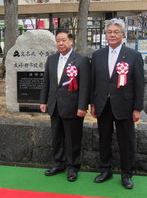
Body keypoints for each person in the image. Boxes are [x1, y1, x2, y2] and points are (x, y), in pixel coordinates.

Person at [90, 18, 145, 189]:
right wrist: (92, 103)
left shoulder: (133, 56)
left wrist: (137, 108)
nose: (112, 35)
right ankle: (106, 170)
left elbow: (139, 83)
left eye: (116, 32)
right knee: (104, 139)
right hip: (103, 105)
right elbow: (94, 81)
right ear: (105, 34)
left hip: (125, 106)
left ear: (123, 34)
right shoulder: (97, 55)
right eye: (109, 32)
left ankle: (127, 174)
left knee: (126, 142)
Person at [40, 30, 90, 182]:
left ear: (71, 41)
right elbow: (46, 82)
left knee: (72, 139)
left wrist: (82, 106)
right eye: (58, 41)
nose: (60, 43)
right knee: (57, 137)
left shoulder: (81, 60)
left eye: (63, 40)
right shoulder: (52, 59)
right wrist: (43, 101)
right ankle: (58, 164)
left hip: (73, 107)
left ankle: (73, 167)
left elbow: (85, 86)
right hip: (54, 106)